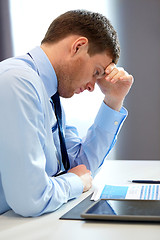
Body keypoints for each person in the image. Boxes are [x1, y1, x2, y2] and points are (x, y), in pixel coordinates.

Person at [0, 10, 133, 217]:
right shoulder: (18, 83)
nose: (92, 86)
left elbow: (82, 168)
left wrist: (113, 100)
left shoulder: (49, 93)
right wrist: (75, 182)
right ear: (78, 46)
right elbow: (31, 200)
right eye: (96, 72)